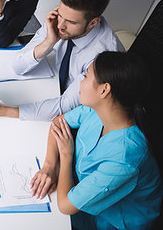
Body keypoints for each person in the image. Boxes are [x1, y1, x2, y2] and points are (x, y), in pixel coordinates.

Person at [30, 51, 162, 229]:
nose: (80, 82)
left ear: (104, 89)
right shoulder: (99, 109)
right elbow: (58, 122)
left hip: (111, 221)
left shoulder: (125, 159)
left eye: (85, 76)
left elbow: (65, 206)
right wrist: (50, 166)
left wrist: (66, 155)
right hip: (81, 192)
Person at [0, 0, 124, 121]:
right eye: (60, 14)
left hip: (82, 110)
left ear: (93, 23)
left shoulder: (103, 55)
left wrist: (6, 111)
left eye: (71, 22)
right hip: (51, 85)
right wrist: (49, 41)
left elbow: (64, 105)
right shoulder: (59, 21)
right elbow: (18, 66)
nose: (60, 25)